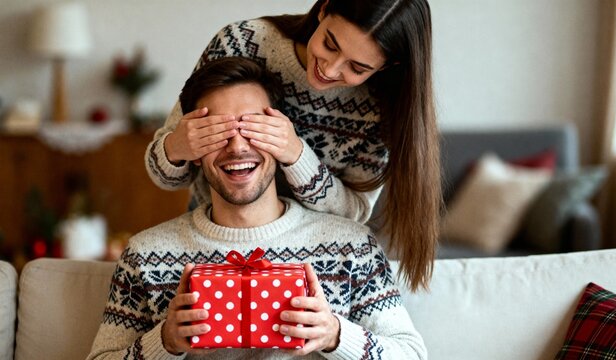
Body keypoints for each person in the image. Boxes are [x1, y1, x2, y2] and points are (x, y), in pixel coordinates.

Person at [89, 57, 426, 359]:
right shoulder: (145, 254)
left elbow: (412, 355)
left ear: (280, 137)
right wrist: (164, 342)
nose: (237, 147)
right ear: (193, 144)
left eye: (254, 128)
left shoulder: (351, 248)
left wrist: (335, 335)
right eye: (216, 132)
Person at [145, 0, 441, 292]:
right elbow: (163, 176)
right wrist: (177, 147)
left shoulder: (386, 107)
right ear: (324, 8)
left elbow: (355, 212)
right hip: (215, 243)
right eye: (330, 44)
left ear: (389, 64)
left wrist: (297, 157)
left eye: (357, 67)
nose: (330, 68)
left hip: (316, 261)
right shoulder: (242, 43)